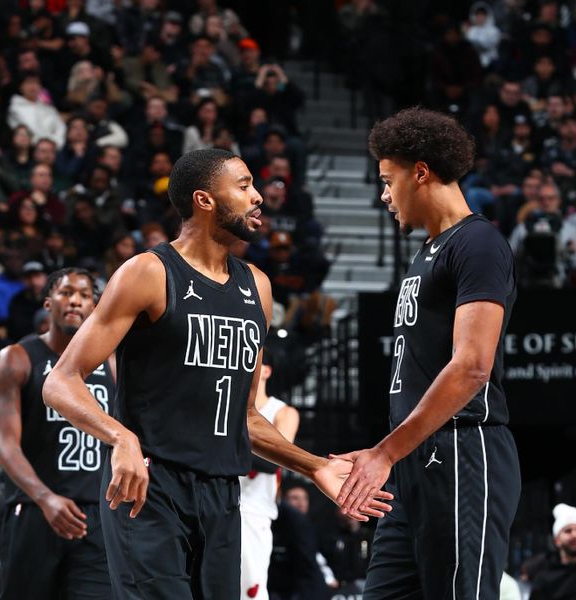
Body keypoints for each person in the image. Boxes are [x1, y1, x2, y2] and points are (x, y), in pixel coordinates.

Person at [42, 148, 392, 599]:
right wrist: (120, 438)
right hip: (151, 487)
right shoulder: (148, 272)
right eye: (244, 186)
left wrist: (316, 467)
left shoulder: (257, 287)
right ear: (205, 200)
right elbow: (61, 381)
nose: (258, 197)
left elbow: (244, 417)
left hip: (225, 494)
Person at [331, 108, 519, 599]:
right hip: (413, 460)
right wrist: (393, 454)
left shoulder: (478, 243)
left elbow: (473, 367)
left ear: (421, 172)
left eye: (389, 180)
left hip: (463, 450)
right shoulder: (428, 251)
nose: (384, 195)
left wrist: (384, 452)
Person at [0, 267, 115, 599]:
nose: (74, 301)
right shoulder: (17, 358)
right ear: (48, 303)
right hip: (35, 509)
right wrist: (45, 498)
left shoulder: (114, 364)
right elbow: (4, 443)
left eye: (84, 295)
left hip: (96, 517)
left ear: (94, 306)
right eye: (65, 292)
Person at [239, 345, 300, 600]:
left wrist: (220, 447)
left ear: (266, 371)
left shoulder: (283, 412)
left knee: (252, 588)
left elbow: (275, 460)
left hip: (255, 508)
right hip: (219, 500)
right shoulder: (230, 408)